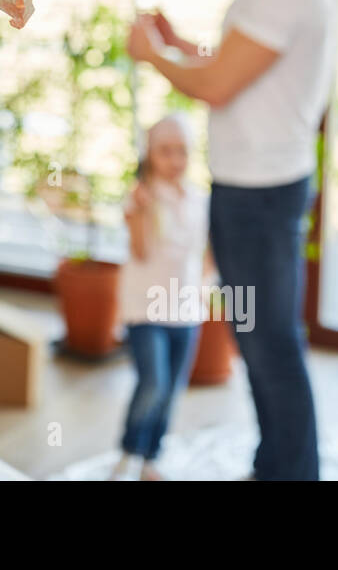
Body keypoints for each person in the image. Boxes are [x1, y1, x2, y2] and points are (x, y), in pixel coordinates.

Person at [126, 0, 338, 480]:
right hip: (265, 188)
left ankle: (289, 472)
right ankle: (278, 464)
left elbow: (218, 85)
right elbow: (241, 64)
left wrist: (155, 54)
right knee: (264, 339)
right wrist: (183, 44)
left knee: (269, 344)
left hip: (259, 195)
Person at [110, 114, 209, 481]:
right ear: (150, 154)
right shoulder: (140, 197)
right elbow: (139, 251)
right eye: (165, 151)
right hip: (144, 308)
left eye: (182, 151)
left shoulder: (200, 199)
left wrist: (207, 285)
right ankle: (129, 452)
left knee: (171, 390)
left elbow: (206, 251)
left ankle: (152, 456)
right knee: (153, 382)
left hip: (186, 309)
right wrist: (141, 211)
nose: (175, 160)